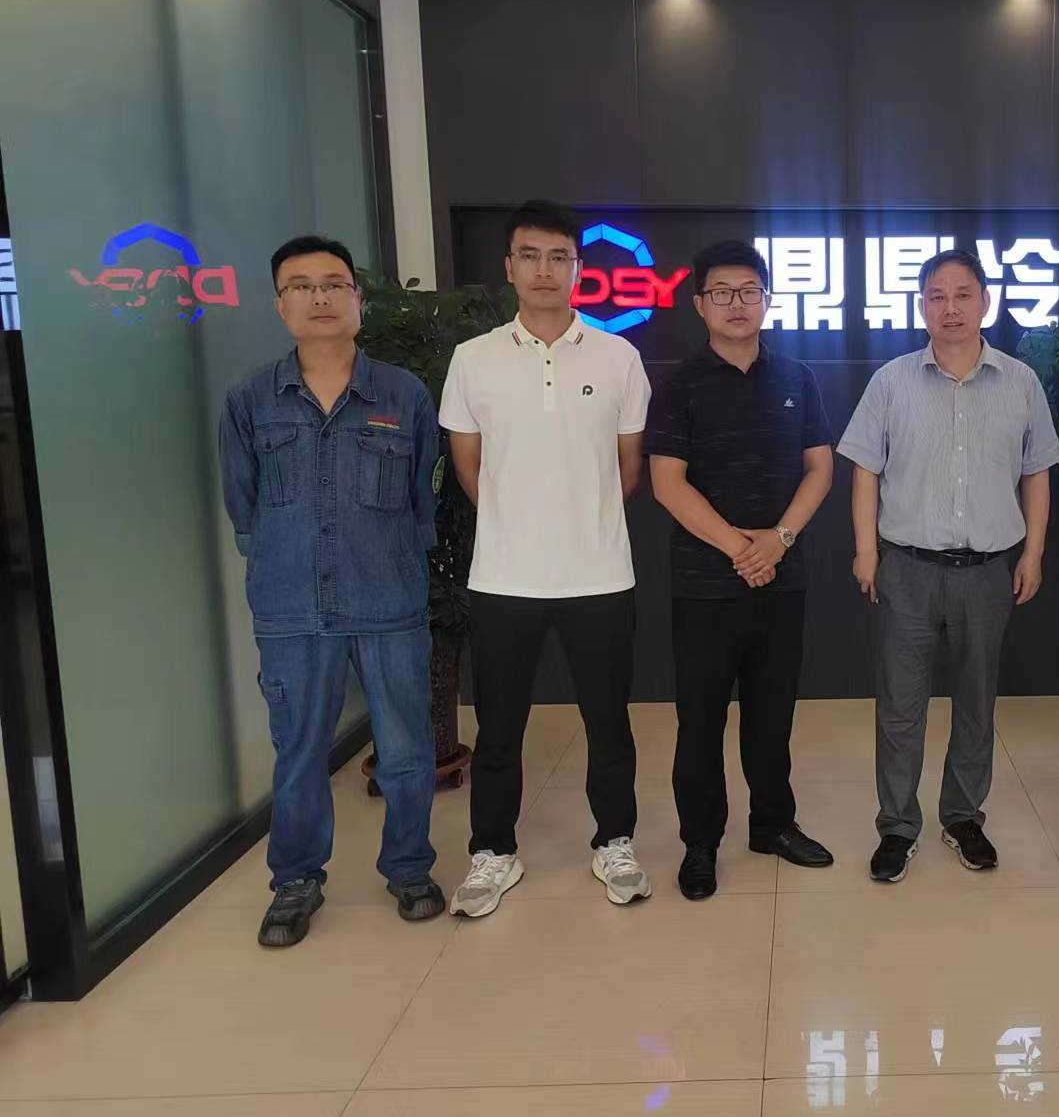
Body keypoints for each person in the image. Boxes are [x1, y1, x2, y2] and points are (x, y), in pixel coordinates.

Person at [218, 235, 443, 947]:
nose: (319, 297)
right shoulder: (251, 401)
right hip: (290, 606)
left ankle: (408, 867)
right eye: (301, 285)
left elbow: (424, 499)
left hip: (389, 603)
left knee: (406, 750)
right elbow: (244, 509)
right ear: (280, 304)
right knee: (298, 754)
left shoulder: (403, 394)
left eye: (333, 284)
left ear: (357, 300)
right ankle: (295, 881)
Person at [439, 200, 652, 917]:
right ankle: (493, 852)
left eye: (559, 257)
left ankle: (614, 841)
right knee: (499, 727)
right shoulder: (473, 359)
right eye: (530, 256)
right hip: (505, 577)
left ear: (578, 268)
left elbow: (627, 468)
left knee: (608, 722)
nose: (544, 270)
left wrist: (578, 519)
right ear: (509, 267)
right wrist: (519, 521)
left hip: (600, 574)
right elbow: (469, 468)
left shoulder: (619, 357)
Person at [838, 248, 1059, 883]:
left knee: (976, 701)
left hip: (988, 570)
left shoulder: (1020, 382)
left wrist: (1033, 552)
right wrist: (865, 549)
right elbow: (865, 470)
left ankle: (963, 817)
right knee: (899, 706)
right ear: (922, 307)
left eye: (964, 295)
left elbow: (1037, 474)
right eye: (937, 296)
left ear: (986, 301)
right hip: (906, 567)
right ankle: (897, 825)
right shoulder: (891, 381)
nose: (951, 308)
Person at [646, 240, 836, 900]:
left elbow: (821, 468)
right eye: (722, 293)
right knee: (700, 722)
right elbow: (667, 483)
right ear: (699, 304)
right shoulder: (678, 385)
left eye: (749, 291)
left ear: (767, 300)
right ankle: (700, 843)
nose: (737, 304)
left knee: (772, 716)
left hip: (782, 580)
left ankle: (772, 825)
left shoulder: (798, 378)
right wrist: (740, 548)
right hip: (704, 586)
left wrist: (778, 542)